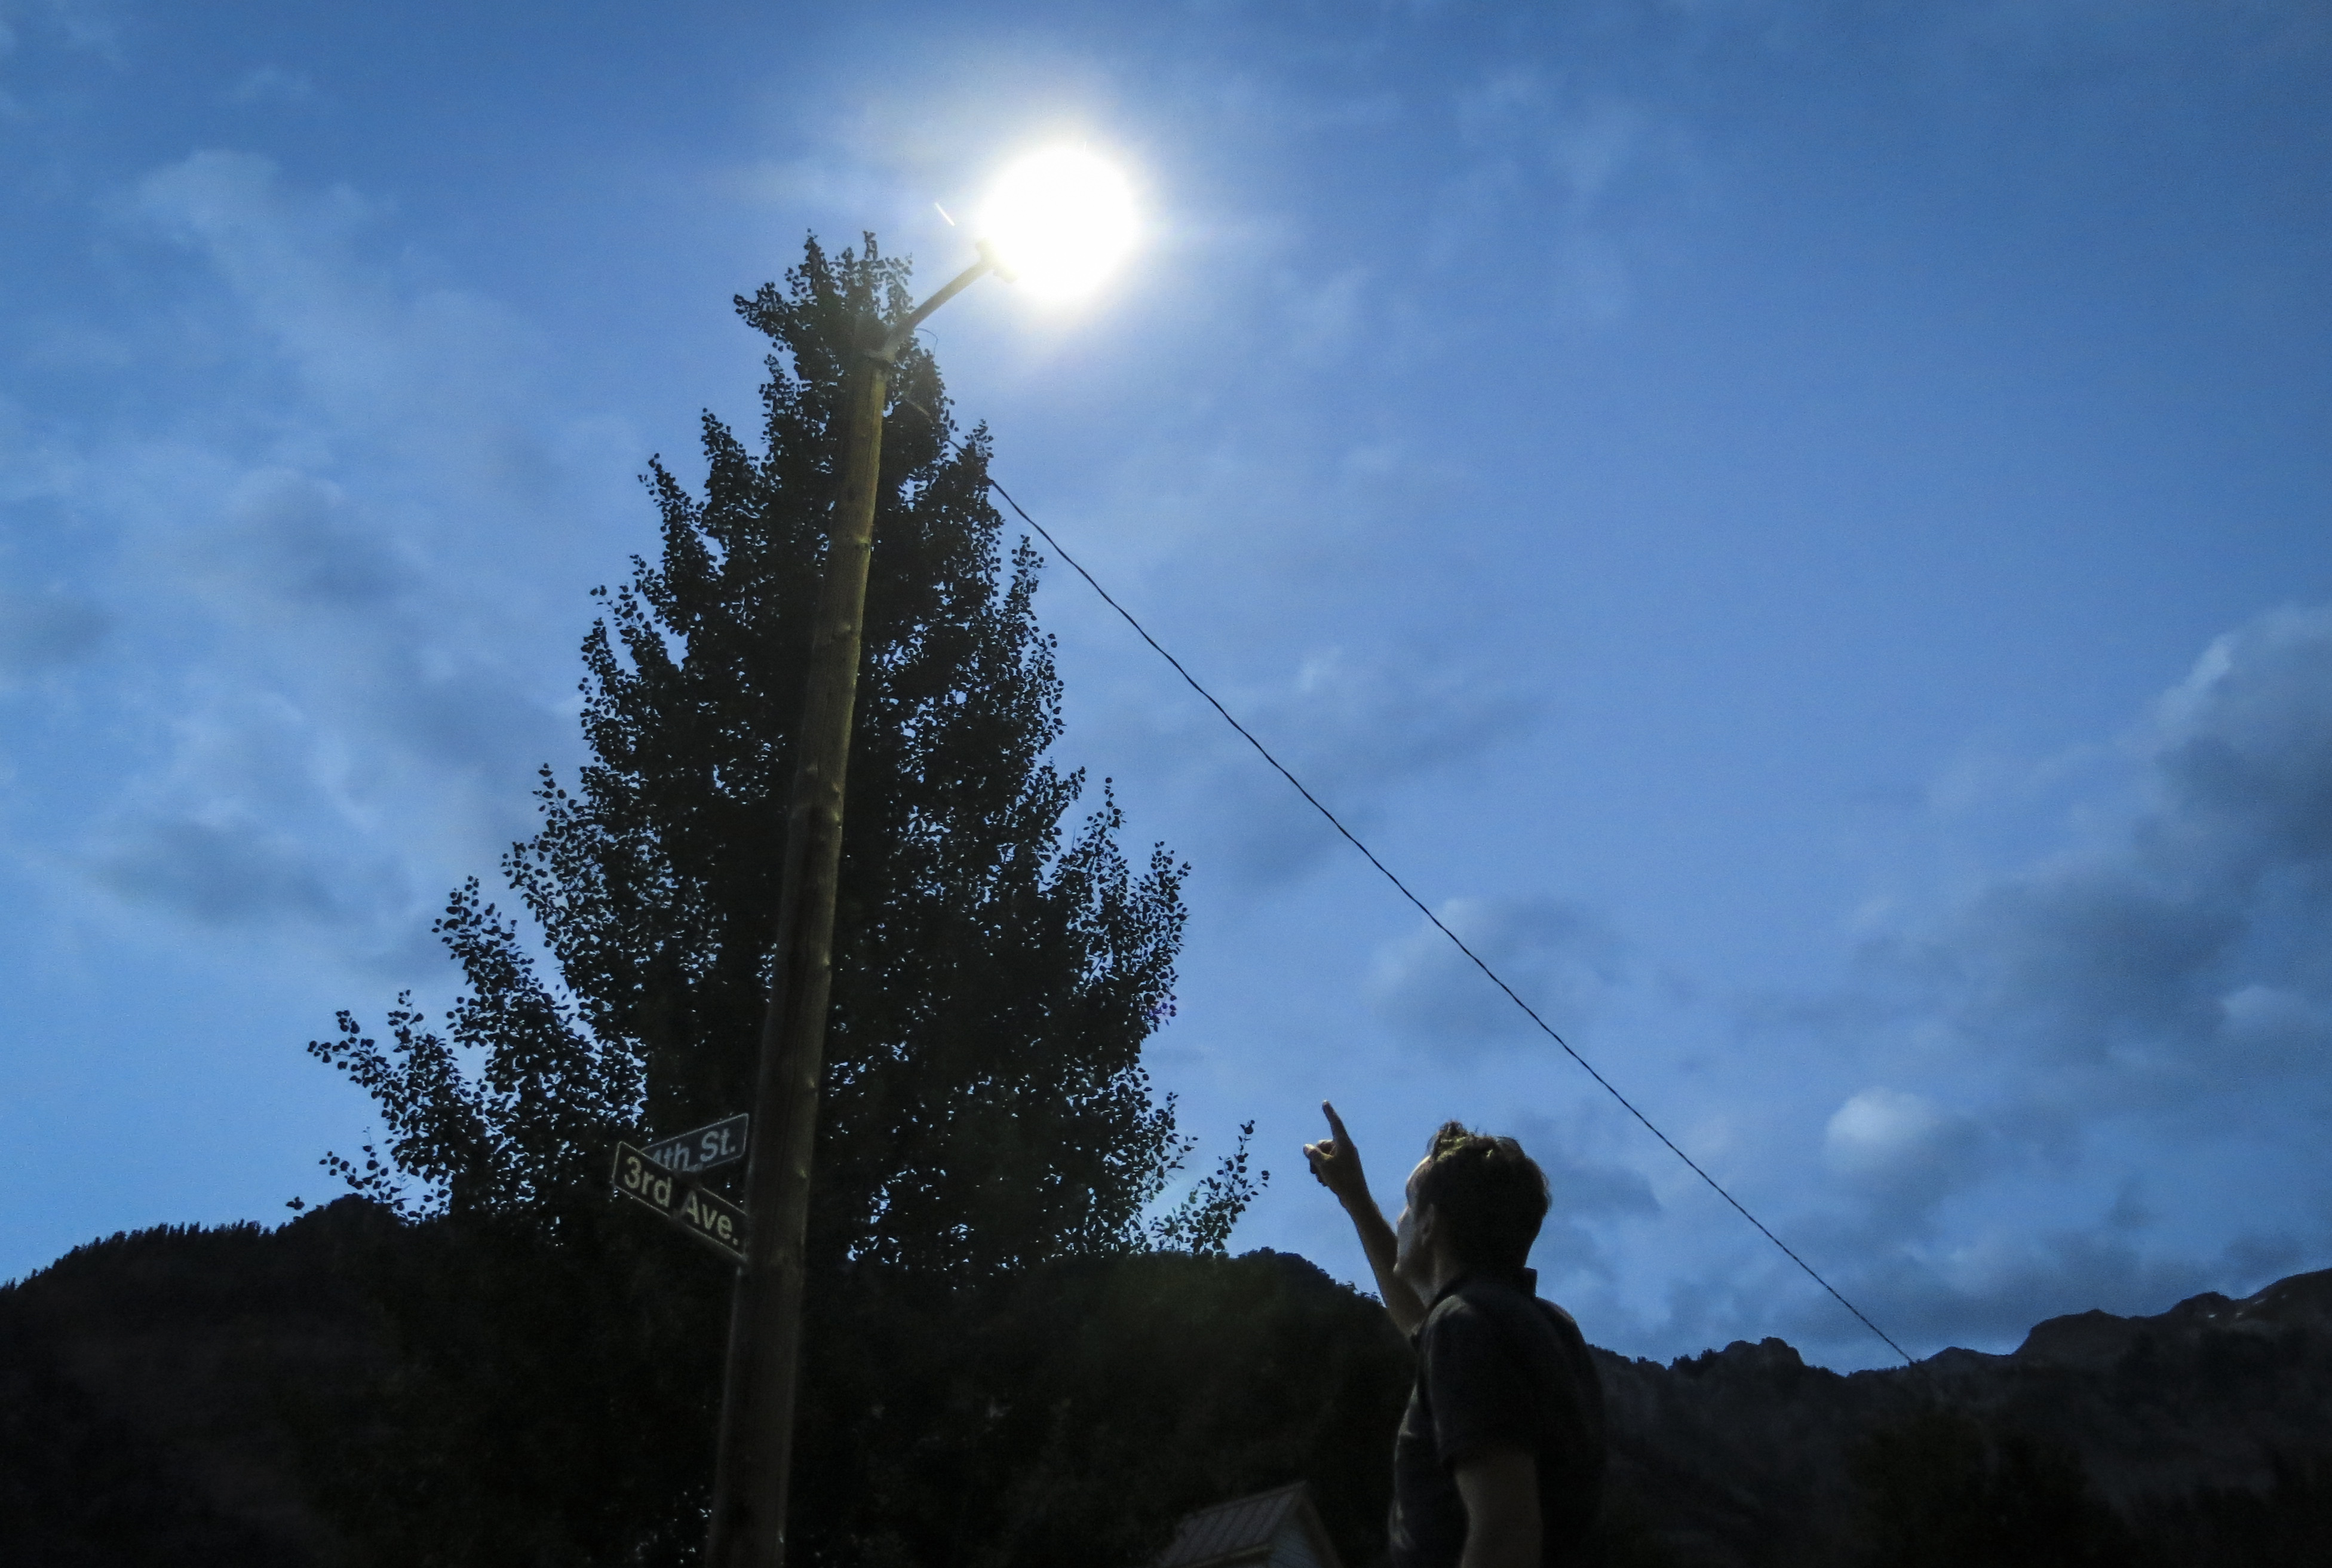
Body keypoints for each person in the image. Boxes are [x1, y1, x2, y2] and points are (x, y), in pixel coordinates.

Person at [1304, 1104, 1606, 1568]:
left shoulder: (1464, 1325)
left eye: (1409, 1203)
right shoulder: (1539, 1324)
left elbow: (1506, 1531)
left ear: (1430, 1224)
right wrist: (1354, 1197)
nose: (1401, 1218)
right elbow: (1417, 1319)